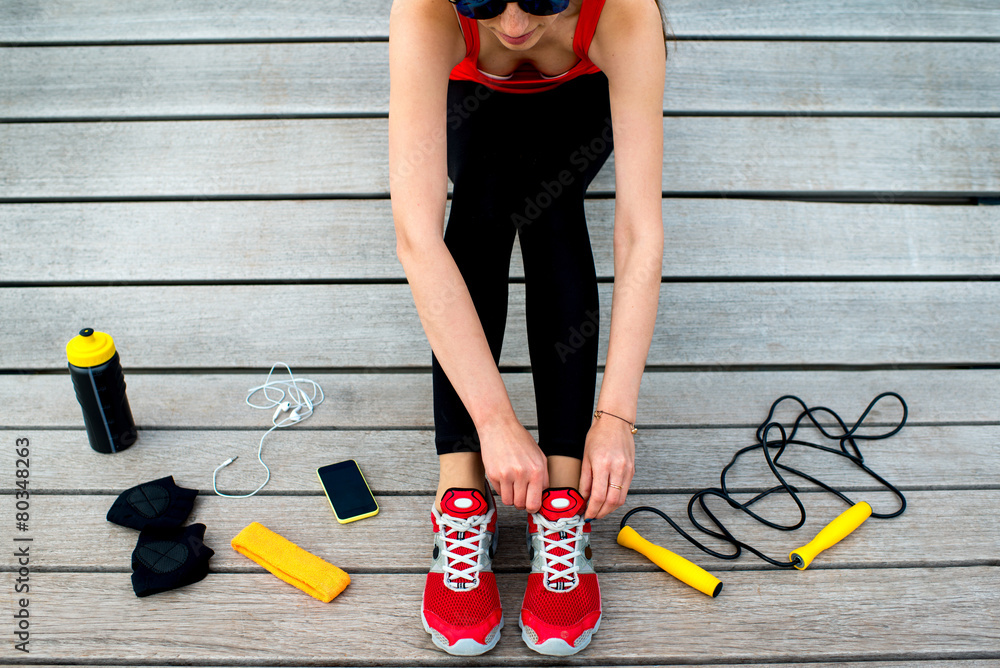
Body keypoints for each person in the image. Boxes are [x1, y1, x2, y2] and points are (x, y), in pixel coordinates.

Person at [388, 0, 666, 656]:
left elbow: (639, 233)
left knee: (551, 201)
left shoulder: (625, 12)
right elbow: (415, 236)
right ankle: (460, 487)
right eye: (482, 0)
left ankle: (563, 494)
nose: (512, 25)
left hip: (577, 104)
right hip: (470, 108)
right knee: (482, 200)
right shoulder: (425, 8)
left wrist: (615, 419)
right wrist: (493, 424)